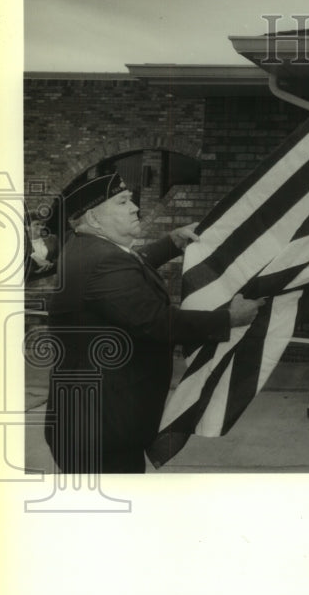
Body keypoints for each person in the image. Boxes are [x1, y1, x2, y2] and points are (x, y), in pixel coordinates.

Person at [44, 172, 263, 474]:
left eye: (131, 200)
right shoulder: (103, 262)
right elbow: (158, 323)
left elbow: (132, 262)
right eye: (122, 202)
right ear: (93, 219)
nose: (134, 207)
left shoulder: (88, 249)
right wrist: (229, 319)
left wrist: (171, 243)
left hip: (91, 422)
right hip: (102, 433)